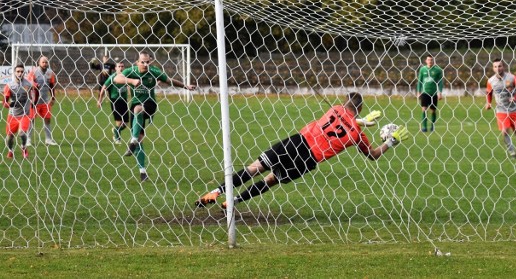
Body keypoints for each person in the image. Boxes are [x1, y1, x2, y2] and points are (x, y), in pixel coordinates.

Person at [195, 92, 409, 209]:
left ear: (345, 101)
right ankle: (233, 202)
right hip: (308, 160)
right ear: (360, 109)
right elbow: (372, 155)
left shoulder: (334, 108)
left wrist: (361, 120)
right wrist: (390, 142)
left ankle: (216, 192)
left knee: (256, 167)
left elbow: (342, 119)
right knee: (271, 180)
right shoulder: (356, 135)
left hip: (297, 141)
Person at [114, 51, 196, 182]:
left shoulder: (154, 71)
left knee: (138, 109)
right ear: (137, 62)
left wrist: (185, 86)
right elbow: (116, 79)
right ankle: (142, 172)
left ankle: (132, 141)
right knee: (141, 137)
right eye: (143, 62)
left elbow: (169, 81)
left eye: (148, 62)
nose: (145, 64)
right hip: (135, 104)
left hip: (150, 104)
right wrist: (132, 81)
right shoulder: (131, 71)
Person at [484, 58, 516, 159]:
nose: (498, 68)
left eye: (500, 66)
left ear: (504, 67)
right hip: (501, 110)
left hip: (514, 109)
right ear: (493, 68)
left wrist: (515, 97)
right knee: (505, 131)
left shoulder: (512, 78)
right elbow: (489, 93)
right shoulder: (491, 81)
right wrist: (488, 103)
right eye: (495, 66)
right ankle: (511, 151)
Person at [3, 64, 37, 159]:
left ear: (24, 73)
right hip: (12, 115)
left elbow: (33, 95)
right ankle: (10, 150)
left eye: (22, 71)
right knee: (10, 137)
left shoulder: (28, 84)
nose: (20, 73)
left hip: (24, 114)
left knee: (22, 133)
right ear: (14, 73)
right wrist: (9, 104)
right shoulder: (9, 86)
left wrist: (33, 101)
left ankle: (23, 147)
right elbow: (5, 102)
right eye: (18, 71)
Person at [26, 55, 57, 146]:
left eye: (46, 62)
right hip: (34, 102)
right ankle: (28, 140)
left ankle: (48, 139)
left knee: (47, 119)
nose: (44, 64)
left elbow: (52, 86)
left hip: (45, 101)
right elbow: (28, 85)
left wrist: (53, 98)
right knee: (31, 120)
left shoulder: (50, 73)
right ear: (39, 63)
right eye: (43, 62)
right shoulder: (34, 72)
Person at [97, 61, 129, 145]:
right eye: (119, 66)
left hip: (124, 100)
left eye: (122, 66)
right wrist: (100, 100)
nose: (121, 68)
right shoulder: (112, 77)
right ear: (115, 68)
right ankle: (117, 138)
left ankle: (115, 130)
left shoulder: (126, 77)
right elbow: (104, 87)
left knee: (125, 123)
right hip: (115, 100)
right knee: (119, 121)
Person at [416, 54, 444, 132]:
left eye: (431, 60)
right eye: (428, 60)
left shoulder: (438, 70)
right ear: (426, 61)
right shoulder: (422, 69)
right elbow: (420, 81)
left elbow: (440, 82)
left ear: (433, 61)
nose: (430, 61)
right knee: (424, 109)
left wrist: (440, 92)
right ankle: (424, 127)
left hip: (434, 93)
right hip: (425, 93)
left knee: (433, 110)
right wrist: (418, 92)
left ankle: (432, 126)